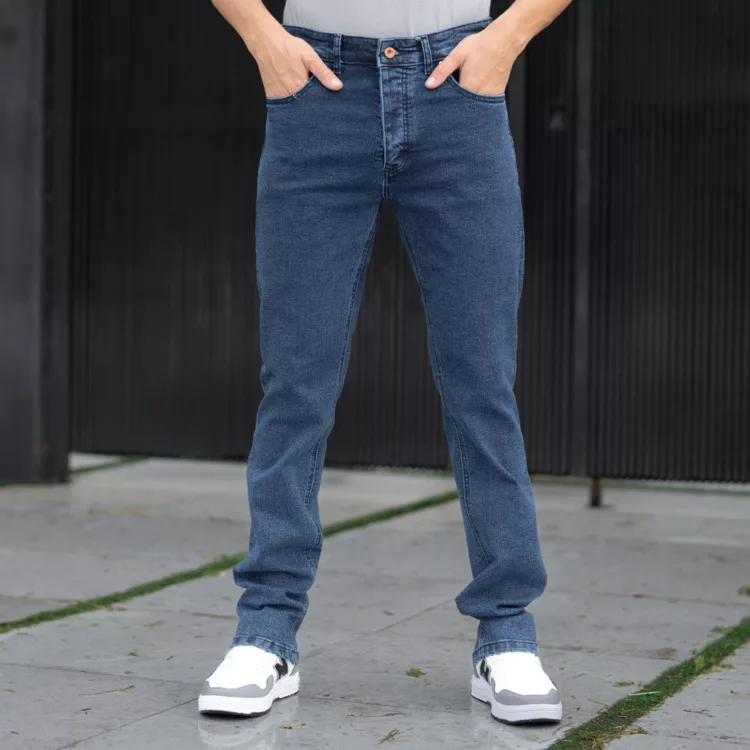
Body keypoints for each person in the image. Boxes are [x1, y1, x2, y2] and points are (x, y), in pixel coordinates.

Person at [199, 0, 571, 726]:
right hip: (318, 90)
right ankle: (266, 629)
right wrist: (260, 35)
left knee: (482, 382)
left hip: (457, 93)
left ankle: (507, 631)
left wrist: (509, 36)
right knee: (296, 384)